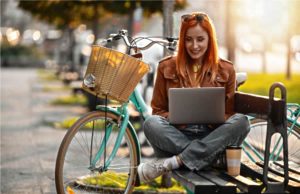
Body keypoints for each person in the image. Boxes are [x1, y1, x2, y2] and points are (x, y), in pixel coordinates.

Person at [137, 12, 250, 183]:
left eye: (200, 39)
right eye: (189, 39)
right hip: (177, 135)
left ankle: (177, 161)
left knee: (242, 121)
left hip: (211, 135)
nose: (194, 45)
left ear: (209, 40)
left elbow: (230, 115)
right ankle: (206, 158)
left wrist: (215, 117)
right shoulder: (166, 67)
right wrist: (174, 116)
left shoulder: (226, 69)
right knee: (150, 123)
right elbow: (157, 111)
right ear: (182, 41)